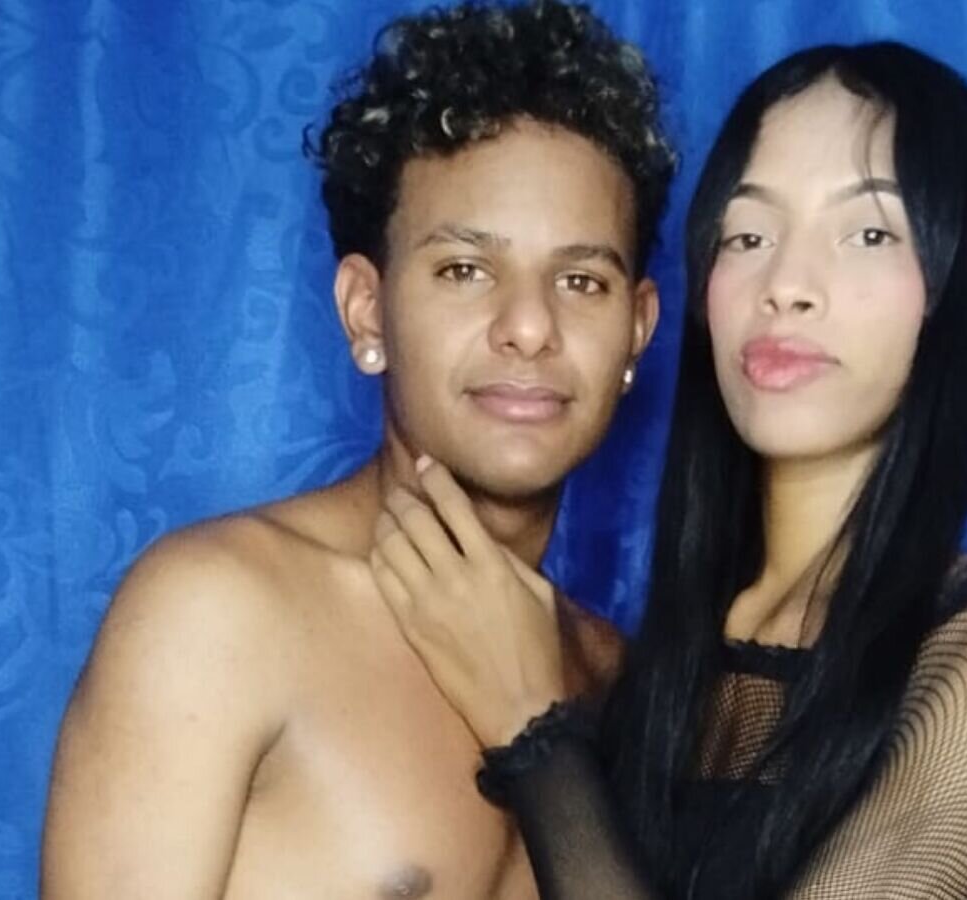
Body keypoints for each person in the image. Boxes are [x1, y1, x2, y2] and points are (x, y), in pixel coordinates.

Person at [371, 42, 967, 899]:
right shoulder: (623, 662)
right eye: (749, 234)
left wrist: (532, 728)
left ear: (952, 288)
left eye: (868, 233)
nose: (786, 284)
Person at [40, 2, 674, 896]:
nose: (530, 327)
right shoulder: (220, 614)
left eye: (581, 280)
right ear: (366, 312)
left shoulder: (624, 684)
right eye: (465, 270)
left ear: (636, 331)